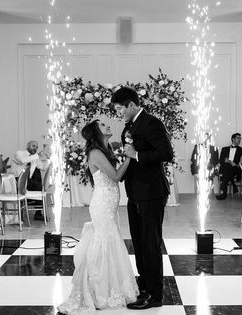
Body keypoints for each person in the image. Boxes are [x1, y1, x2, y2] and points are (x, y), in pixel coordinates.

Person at [58, 120, 137, 314]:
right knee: (103, 240)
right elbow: (116, 176)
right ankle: (97, 290)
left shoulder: (105, 148)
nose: (108, 125)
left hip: (108, 203)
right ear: (96, 131)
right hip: (102, 203)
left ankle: (109, 285)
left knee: (109, 239)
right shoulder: (95, 152)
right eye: (103, 125)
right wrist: (129, 157)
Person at [112, 86, 173, 310]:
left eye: (120, 108)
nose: (118, 113)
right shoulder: (130, 126)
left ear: (131, 104)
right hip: (135, 192)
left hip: (152, 192)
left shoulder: (152, 123)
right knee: (138, 240)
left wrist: (136, 154)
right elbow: (131, 156)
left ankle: (155, 294)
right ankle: (145, 282)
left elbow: (167, 153)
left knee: (150, 242)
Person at [12, 140, 50, 221]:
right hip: (18, 180)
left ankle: (38, 213)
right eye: (33, 146)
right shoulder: (19, 153)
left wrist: (46, 158)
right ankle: (37, 212)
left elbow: (43, 167)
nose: (35, 148)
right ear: (28, 146)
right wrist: (38, 155)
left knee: (38, 174)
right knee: (40, 186)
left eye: (36, 147)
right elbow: (23, 160)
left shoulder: (35, 157)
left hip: (29, 181)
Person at [216, 133, 242, 200]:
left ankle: (224, 193)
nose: (239, 140)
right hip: (226, 169)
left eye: (240, 138)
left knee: (227, 169)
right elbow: (220, 161)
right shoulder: (224, 149)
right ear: (233, 139)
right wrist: (225, 161)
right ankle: (233, 186)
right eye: (238, 138)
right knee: (227, 167)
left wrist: (235, 164)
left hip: (235, 170)